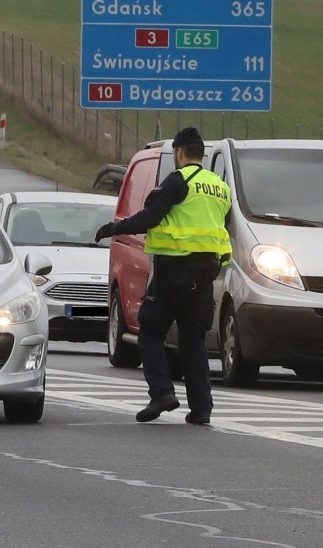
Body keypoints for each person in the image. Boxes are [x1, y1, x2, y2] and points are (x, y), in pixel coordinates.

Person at [95, 128, 232, 425]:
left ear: (180, 152)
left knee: (151, 331)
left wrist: (113, 229)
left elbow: (150, 217)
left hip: (173, 272)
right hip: (206, 275)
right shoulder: (220, 187)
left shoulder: (178, 181)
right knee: (193, 341)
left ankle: (162, 393)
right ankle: (201, 408)